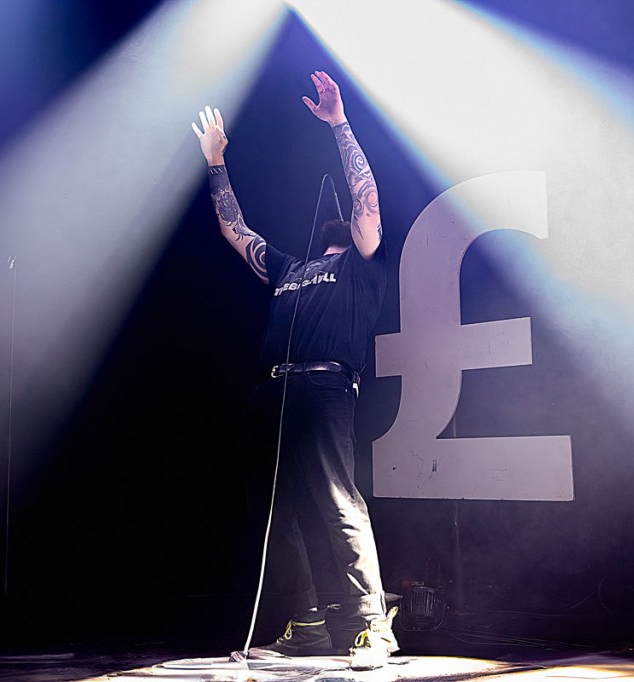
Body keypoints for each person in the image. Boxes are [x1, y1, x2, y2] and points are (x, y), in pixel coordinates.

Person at [191, 71, 397, 670]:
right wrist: (216, 163)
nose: (354, 219)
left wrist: (338, 124)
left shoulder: (362, 265)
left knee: (336, 502)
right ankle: (307, 623)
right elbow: (235, 232)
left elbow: (367, 198)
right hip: (272, 393)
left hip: (326, 387)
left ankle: (371, 628)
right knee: (275, 513)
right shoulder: (288, 269)